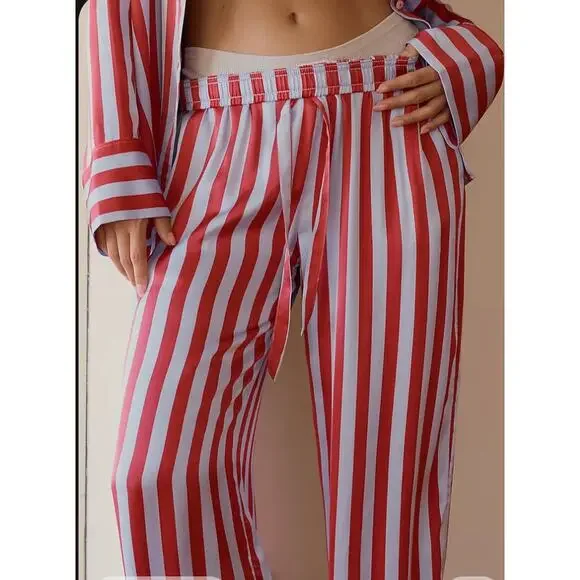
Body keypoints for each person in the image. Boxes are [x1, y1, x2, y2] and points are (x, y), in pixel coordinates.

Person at [82, 0, 503, 578]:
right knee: (154, 472)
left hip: (384, 107)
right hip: (216, 125)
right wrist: (118, 147)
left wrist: (474, 54)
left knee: (389, 470)